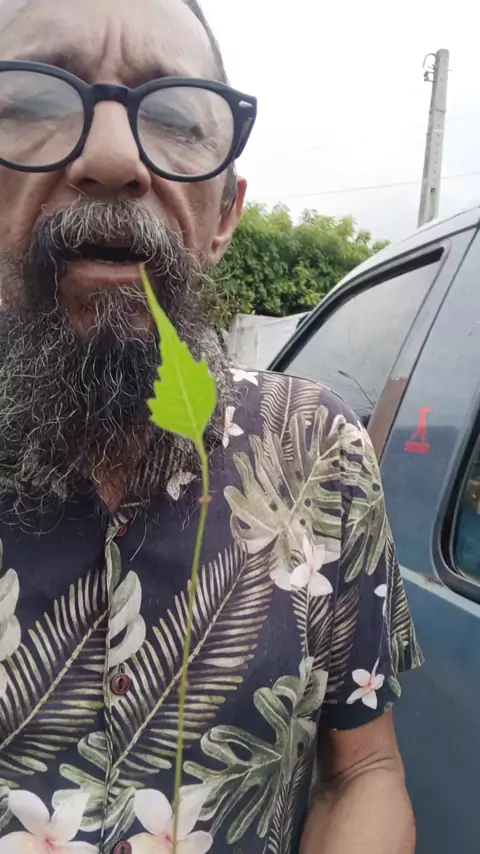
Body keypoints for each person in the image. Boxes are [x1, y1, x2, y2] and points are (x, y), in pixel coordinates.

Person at [0, 1, 422, 852]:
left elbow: (363, 770)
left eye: (176, 119)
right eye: (37, 101)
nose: (112, 159)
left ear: (225, 215)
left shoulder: (317, 452)